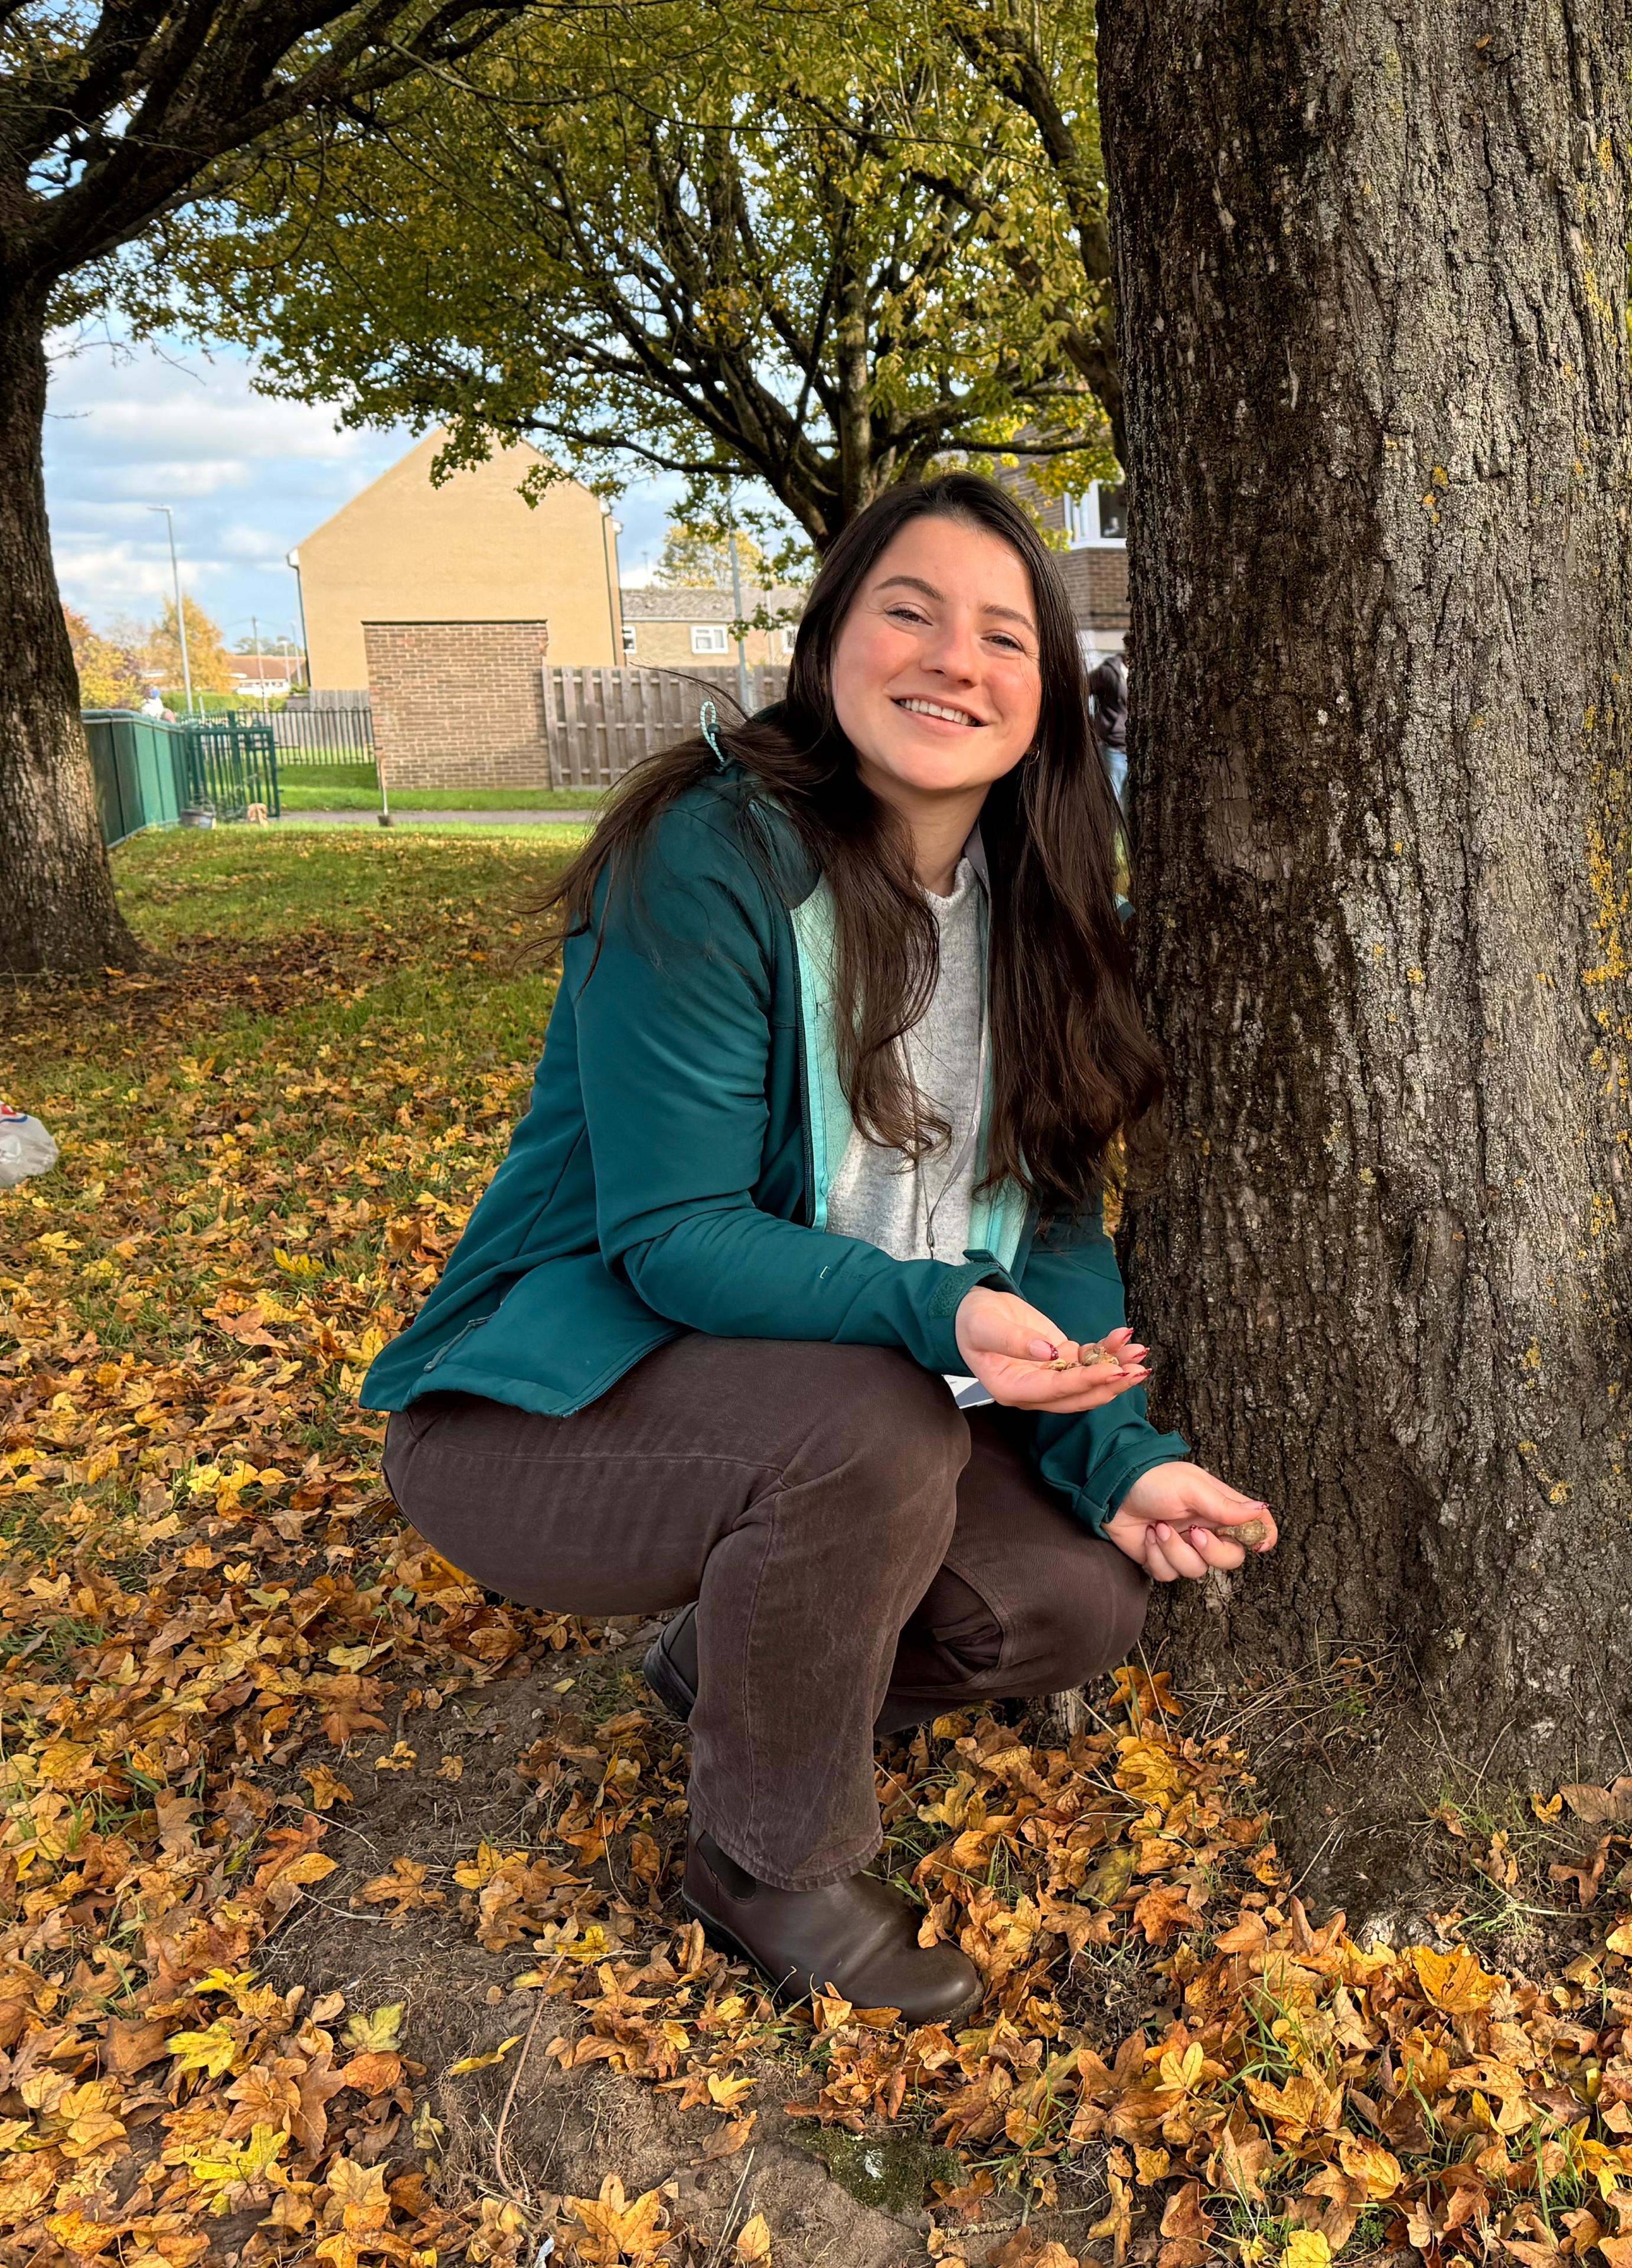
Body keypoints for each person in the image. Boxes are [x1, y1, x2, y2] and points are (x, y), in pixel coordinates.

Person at [363, 472, 1274, 2025]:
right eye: (906, 611)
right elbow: (674, 1236)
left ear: (1045, 698)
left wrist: (1117, 1457)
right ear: (830, 639)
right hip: (546, 1411)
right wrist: (941, 1313)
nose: (953, 660)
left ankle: (727, 1669)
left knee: (1074, 1605)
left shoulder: (1043, 912)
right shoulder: (709, 856)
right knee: (876, 1426)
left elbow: (1050, 1219)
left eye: (1004, 637)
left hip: (849, 1417)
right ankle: (765, 1859)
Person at [1088, 654, 1130, 808]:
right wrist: (1094, 726)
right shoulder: (1108, 672)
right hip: (1114, 749)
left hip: (1138, 752)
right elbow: (1079, 693)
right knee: (1108, 804)